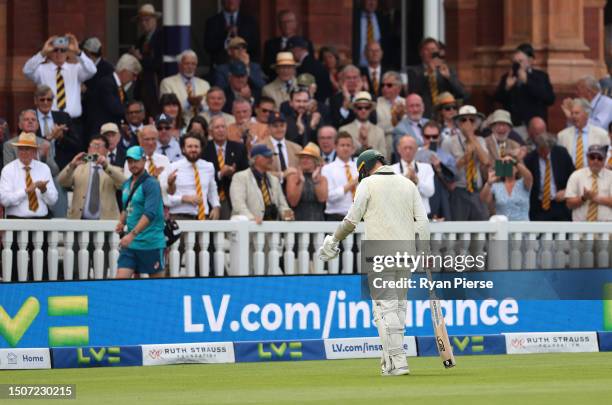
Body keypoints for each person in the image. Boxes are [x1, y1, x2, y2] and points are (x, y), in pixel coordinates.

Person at [318, 148, 429, 376]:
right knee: (398, 306)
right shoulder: (408, 184)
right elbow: (423, 222)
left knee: (384, 308)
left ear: (364, 168)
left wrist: (334, 239)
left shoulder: (367, 184)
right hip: (407, 253)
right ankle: (390, 360)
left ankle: (398, 362)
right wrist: (424, 250)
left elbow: (351, 220)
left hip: (379, 252)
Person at [0, 132, 58, 281]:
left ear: (34, 152)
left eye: (28, 149)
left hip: (40, 222)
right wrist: (26, 191)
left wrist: (43, 190)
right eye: (21, 149)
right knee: (13, 266)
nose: (24, 152)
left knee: (41, 265)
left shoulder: (43, 168)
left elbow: (53, 200)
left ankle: (41, 293)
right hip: (16, 222)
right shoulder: (8, 170)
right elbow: (5, 199)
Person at [22, 33, 96, 134]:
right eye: (55, 50)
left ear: (67, 53)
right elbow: (27, 71)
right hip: (50, 121)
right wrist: (43, 53)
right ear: (50, 52)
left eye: (63, 50)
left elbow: (92, 70)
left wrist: (77, 52)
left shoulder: (75, 69)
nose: (59, 53)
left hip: (73, 122)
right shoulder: (41, 69)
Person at [116, 145, 166, 278]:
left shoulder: (152, 184)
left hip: (151, 243)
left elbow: (150, 214)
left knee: (157, 288)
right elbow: (126, 208)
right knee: (119, 283)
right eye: (130, 161)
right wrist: (121, 222)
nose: (133, 164)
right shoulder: (126, 184)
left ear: (144, 161)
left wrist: (131, 235)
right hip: (131, 244)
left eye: (136, 161)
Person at [58, 135, 125, 220]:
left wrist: (106, 166)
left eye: (99, 146)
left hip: (106, 222)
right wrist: (72, 165)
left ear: (107, 151)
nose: (95, 149)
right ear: (88, 149)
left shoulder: (114, 170)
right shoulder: (78, 168)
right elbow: (61, 182)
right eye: (93, 146)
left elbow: (125, 184)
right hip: (79, 221)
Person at [442, 105, 491, 220]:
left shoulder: (480, 140)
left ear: (476, 123)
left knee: (480, 231)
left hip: (477, 191)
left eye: (471, 120)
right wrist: (465, 158)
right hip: (459, 191)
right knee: (459, 232)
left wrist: (471, 137)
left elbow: (486, 161)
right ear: (458, 123)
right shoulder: (448, 142)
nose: (467, 123)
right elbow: (446, 170)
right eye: (464, 120)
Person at [494, 43, 555, 131]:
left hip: (534, 126)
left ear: (530, 61)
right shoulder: (507, 77)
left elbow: (549, 99)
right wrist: (506, 87)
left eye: (520, 61)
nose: (517, 65)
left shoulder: (541, 76)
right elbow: (498, 99)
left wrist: (527, 81)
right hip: (513, 126)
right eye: (515, 62)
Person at [163, 133, 221, 221]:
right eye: (189, 146)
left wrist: (216, 206)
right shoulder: (173, 167)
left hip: (203, 218)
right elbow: (165, 197)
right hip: (180, 217)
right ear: (183, 149)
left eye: (196, 146)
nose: (193, 149)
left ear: (201, 149)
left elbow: (212, 191)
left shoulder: (209, 167)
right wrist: (183, 198)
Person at [229, 144, 293, 223]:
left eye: (271, 156)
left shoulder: (274, 180)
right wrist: (252, 219)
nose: (271, 159)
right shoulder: (240, 177)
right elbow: (238, 205)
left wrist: (287, 215)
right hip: (248, 231)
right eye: (267, 157)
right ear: (255, 159)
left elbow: (282, 205)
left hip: (271, 231)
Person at [201, 116, 249, 219]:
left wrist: (233, 174)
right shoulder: (204, 149)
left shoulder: (239, 148)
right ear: (210, 132)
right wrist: (220, 174)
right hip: (210, 198)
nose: (221, 130)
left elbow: (246, 173)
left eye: (223, 127)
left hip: (232, 197)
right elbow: (201, 174)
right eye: (217, 127)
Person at [407, 37, 467, 118]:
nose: (431, 52)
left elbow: (462, 93)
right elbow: (413, 92)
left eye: (433, 49)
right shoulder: (414, 71)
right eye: (427, 50)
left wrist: (449, 77)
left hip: (444, 115)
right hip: (424, 115)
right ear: (421, 53)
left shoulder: (447, 70)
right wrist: (428, 72)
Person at [524, 133, 574, 221]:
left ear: (551, 148)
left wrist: (567, 191)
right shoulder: (530, 158)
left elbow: (574, 177)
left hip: (560, 204)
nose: (543, 153)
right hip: (539, 206)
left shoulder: (561, 153)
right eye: (540, 150)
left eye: (545, 150)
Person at [415, 121, 456, 221]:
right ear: (422, 136)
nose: (431, 140)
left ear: (439, 137)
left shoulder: (447, 157)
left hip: (441, 199)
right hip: (420, 197)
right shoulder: (415, 153)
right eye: (427, 137)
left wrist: (439, 169)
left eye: (435, 136)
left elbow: (452, 186)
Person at [33, 84, 80, 171]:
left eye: (49, 99)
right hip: (36, 165)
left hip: (62, 166)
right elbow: (26, 143)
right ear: (36, 101)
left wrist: (61, 137)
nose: (45, 102)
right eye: (42, 100)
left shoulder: (64, 117)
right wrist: (49, 138)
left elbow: (76, 145)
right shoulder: (30, 118)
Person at [130, 4, 163, 118]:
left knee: (156, 115)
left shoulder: (161, 37)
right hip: (142, 84)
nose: (144, 23)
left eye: (147, 20)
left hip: (155, 83)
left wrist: (140, 58)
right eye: (141, 21)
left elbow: (158, 63)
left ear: (155, 20)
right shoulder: (140, 40)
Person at [204, 0, 260, 68]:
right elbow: (208, 46)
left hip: (244, 69)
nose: (231, 1)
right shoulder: (212, 22)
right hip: (219, 68)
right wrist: (226, 38)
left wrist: (237, 37)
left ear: (239, 1)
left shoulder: (250, 21)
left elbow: (254, 46)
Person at [159, 49, 211, 124]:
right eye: (187, 63)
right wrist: (188, 102)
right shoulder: (167, 83)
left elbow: (209, 109)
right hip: (178, 124)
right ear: (179, 65)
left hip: (201, 125)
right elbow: (166, 109)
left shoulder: (205, 84)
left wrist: (200, 105)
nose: (190, 67)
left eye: (193, 64)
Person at [557, 98, 609, 170]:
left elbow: (607, 158)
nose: (574, 116)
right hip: (570, 177)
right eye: (572, 113)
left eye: (577, 113)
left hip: (593, 176)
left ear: (586, 114)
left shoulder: (602, 134)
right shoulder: (562, 136)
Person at [565, 144, 612, 221]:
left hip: (606, 228)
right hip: (580, 228)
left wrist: (595, 198)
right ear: (587, 158)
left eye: (599, 158)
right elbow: (569, 204)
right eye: (592, 157)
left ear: (604, 160)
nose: (595, 161)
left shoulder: (611, 176)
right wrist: (583, 198)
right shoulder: (576, 175)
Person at [263, 10, 314, 78]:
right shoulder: (270, 44)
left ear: (295, 23)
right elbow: (266, 67)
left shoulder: (306, 43)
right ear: (279, 25)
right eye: (283, 22)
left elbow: (310, 65)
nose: (286, 25)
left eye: (289, 21)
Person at [391, 135, 435, 215]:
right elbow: (391, 195)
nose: (408, 151)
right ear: (398, 149)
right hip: (399, 215)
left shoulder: (426, 168)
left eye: (410, 148)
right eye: (405, 148)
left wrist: (417, 181)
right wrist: (406, 179)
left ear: (416, 149)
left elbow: (430, 192)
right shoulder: (391, 170)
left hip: (422, 215)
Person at [480, 155, 533, 221]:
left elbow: (529, 176)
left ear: (517, 169)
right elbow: (484, 199)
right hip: (503, 228)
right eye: (504, 165)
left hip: (522, 228)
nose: (508, 166)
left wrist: (514, 161)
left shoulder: (523, 183)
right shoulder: (496, 186)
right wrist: (489, 183)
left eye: (511, 165)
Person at [286, 142, 328, 221]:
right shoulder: (292, 177)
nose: (304, 160)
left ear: (315, 161)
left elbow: (322, 199)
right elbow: (293, 202)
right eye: (302, 157)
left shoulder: (322, 179)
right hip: (298, 222)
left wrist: (315, 180)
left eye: (308, 158)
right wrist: (301, 181)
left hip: (318, 221)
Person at [321, 132, 358, 220]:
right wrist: (351, 184)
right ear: (335, 147)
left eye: (348, 145)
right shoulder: (327, 169)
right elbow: (329, 197)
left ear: (352, 148)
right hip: (336, 216)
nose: (345, 148)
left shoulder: (359, 168)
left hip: (359, 217)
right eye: (342, 145)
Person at [339, 91, 386, 155]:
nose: (363, 110)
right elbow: (341, 154)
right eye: (359, 108)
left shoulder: (379, 131)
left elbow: (384, 156)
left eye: (367, 107)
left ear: (371, 109)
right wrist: (360, 147)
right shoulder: (344, 130)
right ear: (355, 109)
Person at [288, 36, 332, 102]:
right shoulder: (317, 63)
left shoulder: (306, 66)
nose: (290, 53)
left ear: (297, 49)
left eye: (291, 50)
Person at [352, 0, 391, 68]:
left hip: (377, 68)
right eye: (369, 0)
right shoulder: (353, 17)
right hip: (357, 66)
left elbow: (388, 45)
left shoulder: (383, 18)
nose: (372, 3)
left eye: (375, 0)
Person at [264, 111, 302, 180]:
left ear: (286, 126)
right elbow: (258, 172)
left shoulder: (297, 148)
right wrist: (282, 175)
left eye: (282, 125)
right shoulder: (261, 147)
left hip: (292, 187)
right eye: (275, 126)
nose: (279, 129)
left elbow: (301, 170)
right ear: (268, 127)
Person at [375, 71, 403, 162]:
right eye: (383, 85)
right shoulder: (376, 103)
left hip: (404, 146)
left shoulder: (406, 103)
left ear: (399, 88)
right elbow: (379, 127)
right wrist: (398, 122)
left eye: (389, 85)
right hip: (385, 146)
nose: (385, 88)